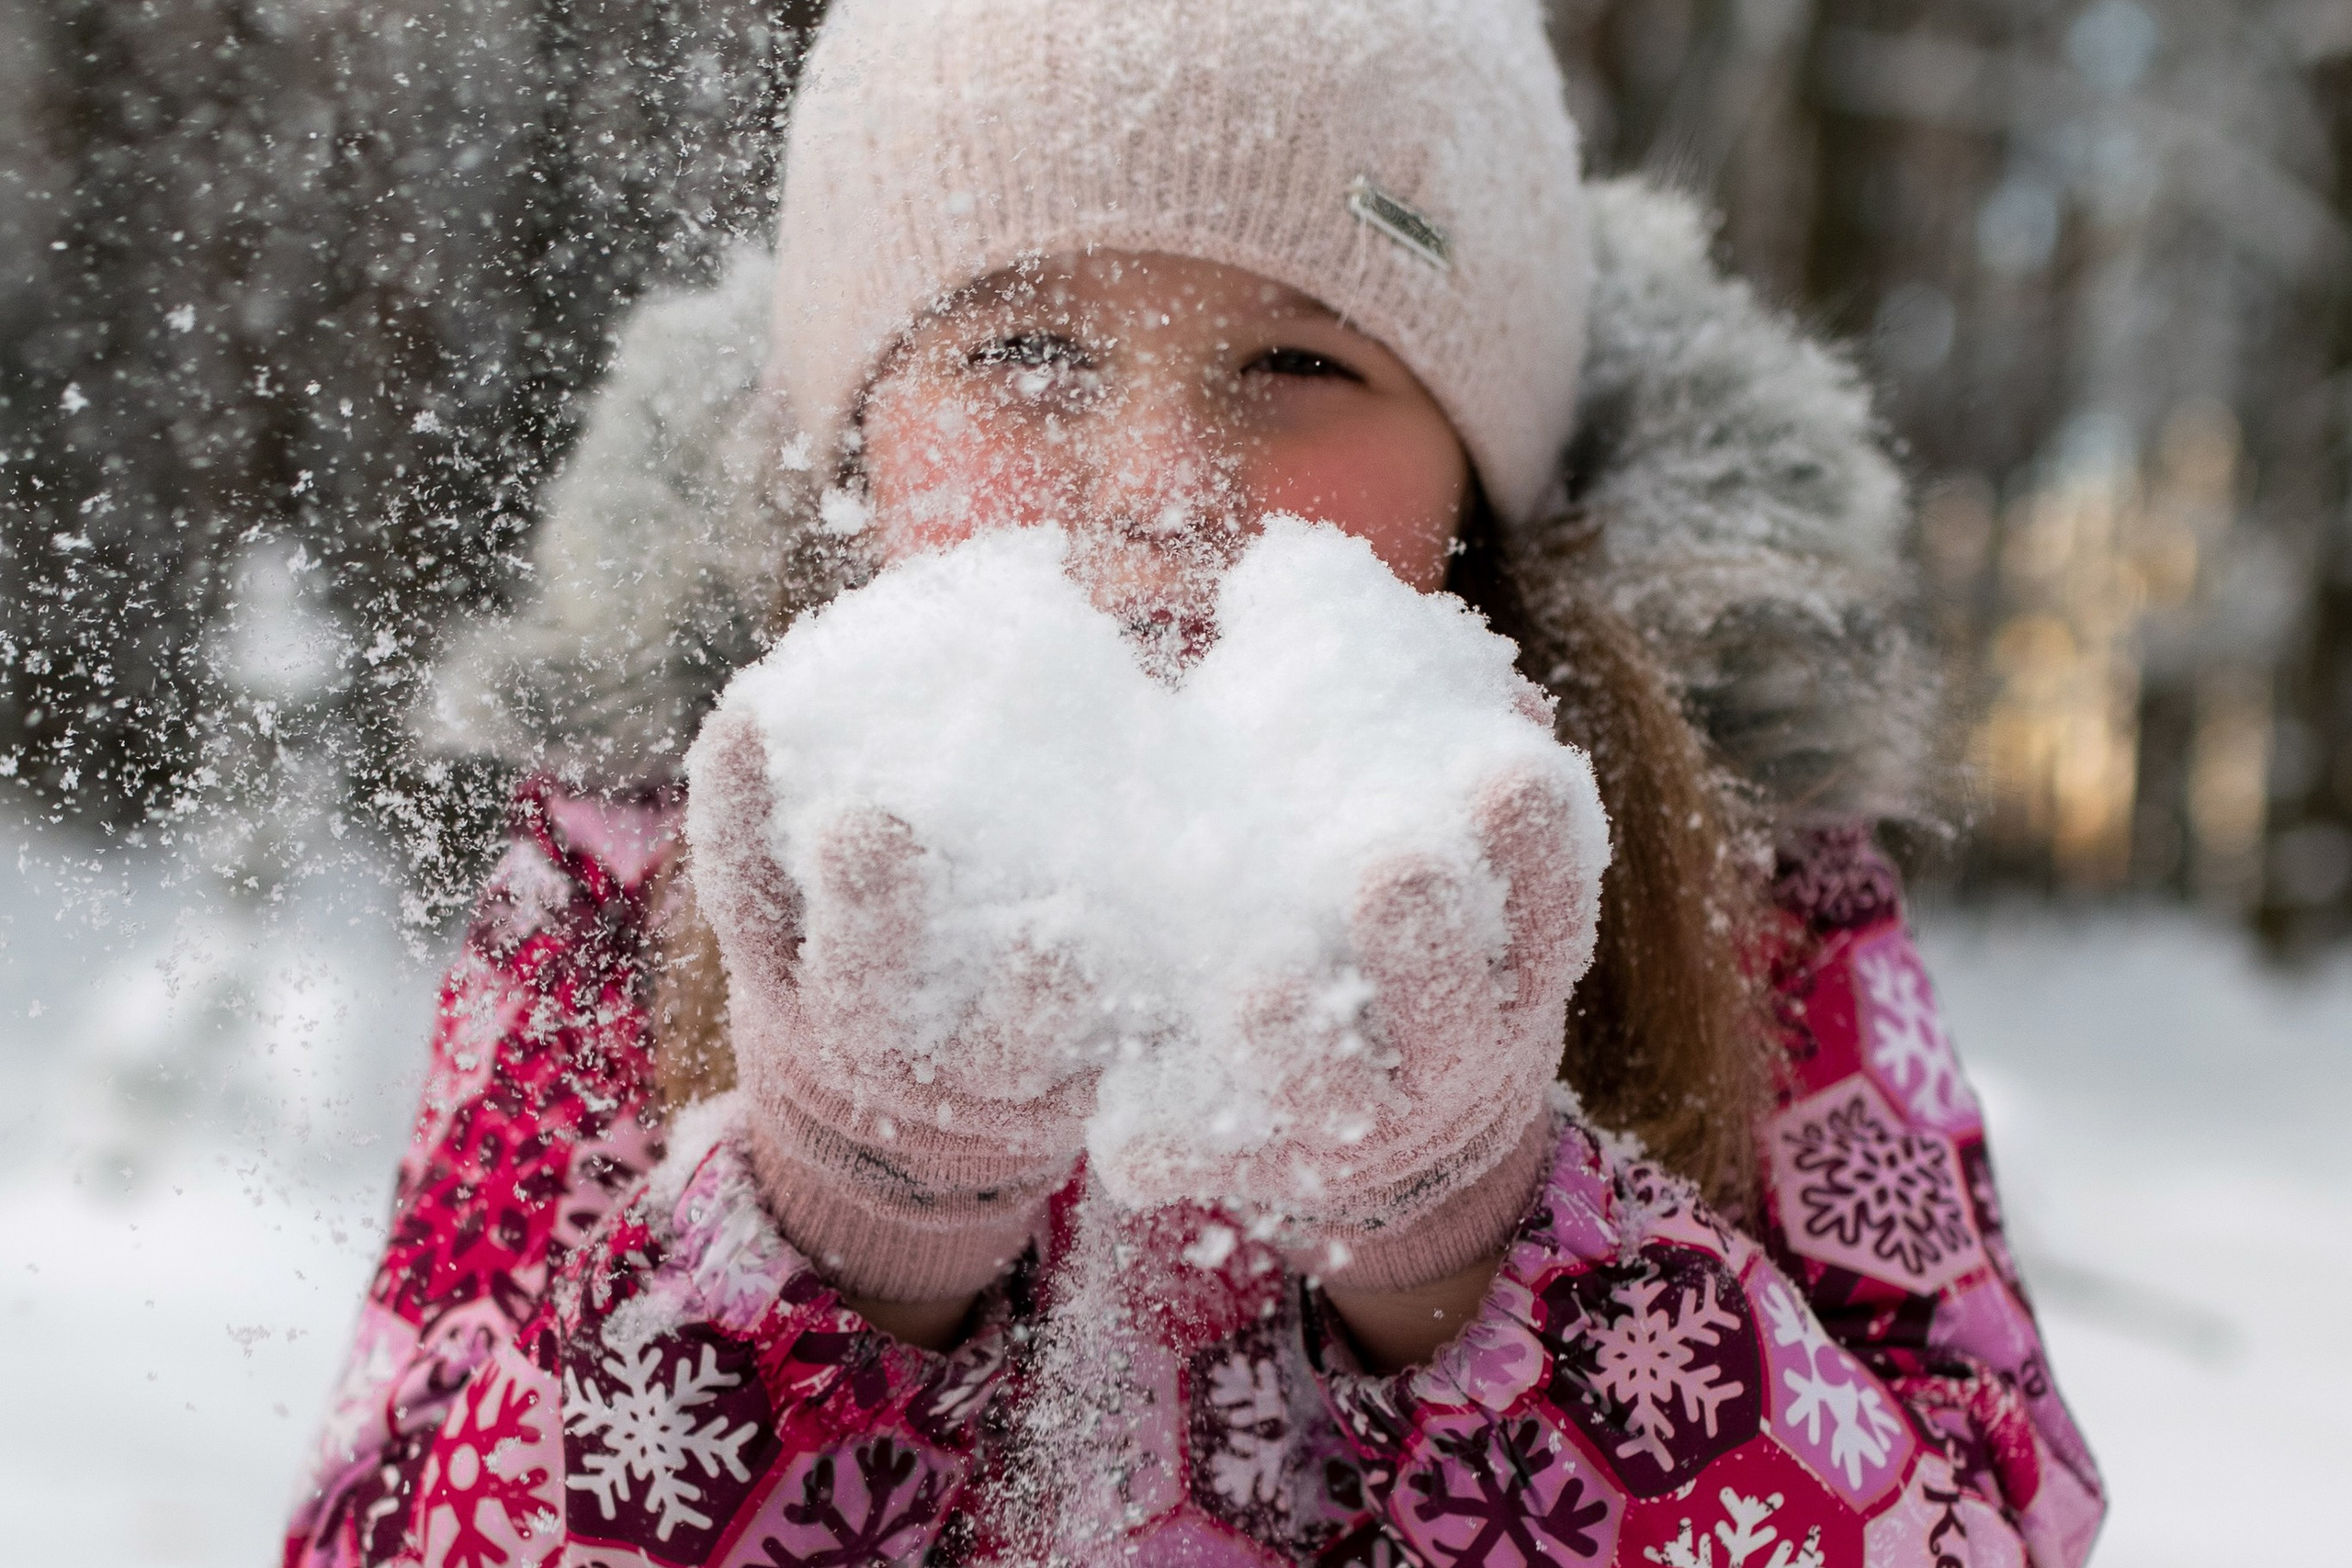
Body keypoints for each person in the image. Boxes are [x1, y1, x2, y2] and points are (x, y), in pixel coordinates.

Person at [285, 1, 2105, 1562]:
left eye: (1297, 359)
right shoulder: (641, 871)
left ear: (1478, 490)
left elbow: (1973, 1514)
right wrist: (833, 1234)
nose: (1158, 484)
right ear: (839, 446)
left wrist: (1482, 1243)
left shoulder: (1731, 891)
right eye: (1023, 352)